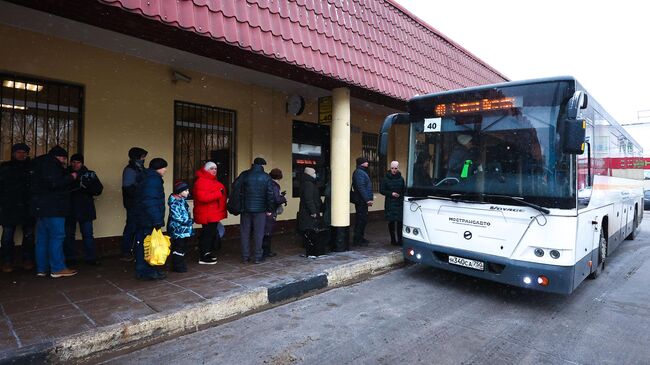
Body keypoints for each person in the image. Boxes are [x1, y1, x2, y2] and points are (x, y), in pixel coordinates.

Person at [30, 146, 78, 278]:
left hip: (39, 208)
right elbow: (55, 183)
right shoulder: (52, 165)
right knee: (57, 237)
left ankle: (42, 268)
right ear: (59, 156)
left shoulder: (38, 164)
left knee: (42, 239)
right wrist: (71, 177)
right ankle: (58, 268)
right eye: (64, 158)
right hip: (54, 208)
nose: (64, 161)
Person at [0, 143, 36, 272]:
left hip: (28, 207)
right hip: (9, 207)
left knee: (29, 236)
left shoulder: (32, 167)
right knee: (7, 237)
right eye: (18, 152)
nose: (21, 154)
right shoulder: (5, 167)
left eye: (24, 152)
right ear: (13, 153)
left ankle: (27, 259)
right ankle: (6, 261)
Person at [64, 153, 104, 266]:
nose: (75, 164)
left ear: (82, 163)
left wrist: (86, 187)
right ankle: (70, 258)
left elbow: (99, 190)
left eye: (78, 162)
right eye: (73, 162)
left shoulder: (89, 174)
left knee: (87, 235)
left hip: (84, 208)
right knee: (69, 235)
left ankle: (90, 258)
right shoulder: (66, 173)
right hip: (70, 208)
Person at [132, 157, 168, 280]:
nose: (165, 170)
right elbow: (150, 201)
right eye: (164, 167)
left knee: (145, 243)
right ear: (158, 168)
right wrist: (156, 219)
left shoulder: (148, 178)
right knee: (147, 245)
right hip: (148, 218)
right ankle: (145, 271)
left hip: (144, 217)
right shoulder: (153, 180)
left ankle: (147, 270)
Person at [234, 157, 274, 264]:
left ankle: (245, 257)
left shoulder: (245, 174)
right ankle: (257, 256)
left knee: (245, 232)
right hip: (260, 210)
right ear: (262, 166)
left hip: (245, 208)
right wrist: (270, 209)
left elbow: (235, 186)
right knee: (258, 233)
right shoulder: (266, 177)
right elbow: (270, 195)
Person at [192, 161, 227, 265]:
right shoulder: (201, 181)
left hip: (213, 213)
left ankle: (207, 253)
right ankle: (204, 255)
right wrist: (218, 193)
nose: (214, 170)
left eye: (215, 168)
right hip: (207, 214)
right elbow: (203, 197)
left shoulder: (212, 181)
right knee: (207, 234)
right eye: (211, 168)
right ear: (206, 169)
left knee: (210, 233)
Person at [121, 147, 148, 261]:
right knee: (131, 227)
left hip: (139, 203)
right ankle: (126, 252)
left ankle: (136, 251)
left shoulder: (139, 168)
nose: (144, 159)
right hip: (133, 204)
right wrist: (143, 189)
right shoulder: (130, 170)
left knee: (137, 227)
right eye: (142, 157)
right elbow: (129, 189)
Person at [167, 181, 193, 273]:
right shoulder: (175, 202)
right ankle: (177, 265)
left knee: (182, 246)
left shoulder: (182, 200)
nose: (188, 192)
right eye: (185, 190)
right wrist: (187, 221)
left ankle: (179, 263)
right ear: (179, 191)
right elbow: (177, 216)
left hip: (184, 229)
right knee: (179, 246)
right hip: (178, 229)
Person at [263, 168, 287, 258]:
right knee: (268, 232)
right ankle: (266, 251)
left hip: (264, 210)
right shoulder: (275, 186)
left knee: (264, 231)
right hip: (271, 211)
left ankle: (264, 251)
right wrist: (283, 198)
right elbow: (276, 199)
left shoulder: (266, 183)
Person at [380, 161, 405, 246]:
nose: (394, 170)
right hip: (390, 203)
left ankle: (400, 240)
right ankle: (393, 239)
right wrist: (391, 194)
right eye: (392, 168)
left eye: (395, 168)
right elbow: (382, 190)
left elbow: (404, 190)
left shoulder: (401, 179)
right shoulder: (385, 178)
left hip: (399, 203)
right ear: (390, 168)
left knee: (400, 222)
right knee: (391, 222)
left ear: (398, 168)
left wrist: (401, 196)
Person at [351, 157, 373, 246]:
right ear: (361, 163)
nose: (367, 163)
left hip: (362, 200)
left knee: (362, 220)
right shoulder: (359, 173)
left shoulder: (361, 172)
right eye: (365, 161)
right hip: (361, 201)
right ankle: (358, 240)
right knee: (361, 220)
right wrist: (367, 199)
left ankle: (360, 238)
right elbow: (361, 187)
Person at [297, 167, 321, 241]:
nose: (315, 174)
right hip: (308, 211)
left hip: (305, 210)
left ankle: (307, 243)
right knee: (309, 228)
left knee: (307, 228)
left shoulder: (305, 182)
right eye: (314, 173)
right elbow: (309, 199)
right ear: (310, 174)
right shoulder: (309, 184)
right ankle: (309, 245)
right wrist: (313, 211)